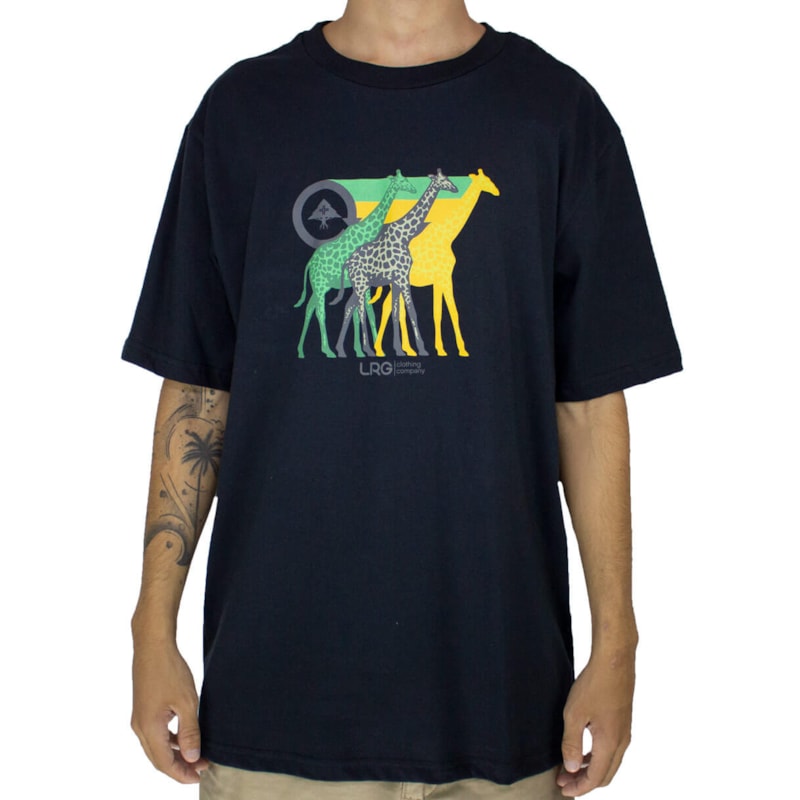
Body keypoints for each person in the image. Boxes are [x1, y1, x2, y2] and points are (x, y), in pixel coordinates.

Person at [124, 1, 682, 798]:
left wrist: (617, 645)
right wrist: (152, 627)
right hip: (275, 717)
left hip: (504, 712)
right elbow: (199, 389)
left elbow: (590, 407)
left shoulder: (557, 116)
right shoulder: (243, 115)